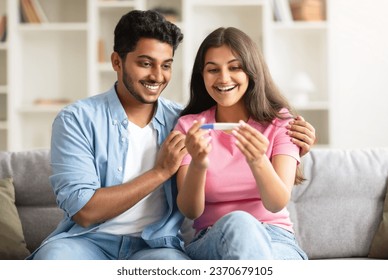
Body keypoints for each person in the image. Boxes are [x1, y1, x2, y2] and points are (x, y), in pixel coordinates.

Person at [28, 11, 315, 260]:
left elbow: (276, 189)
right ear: (117, 62)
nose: (157, 75)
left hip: (156, 246)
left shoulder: (179, 118)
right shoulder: (78, 119)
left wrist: (295, 145)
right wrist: (162, 170)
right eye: (145, 63)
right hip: (87, 242)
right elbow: (85, 211)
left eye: (166, 65)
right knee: (52, 262)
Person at [174, 27, 309, 260]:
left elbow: (277, 203)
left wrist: (258, 161)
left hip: (276, 239)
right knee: (240, 223)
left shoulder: (280, 123)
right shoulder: (190, 126)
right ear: (202, 76)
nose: (223, 78)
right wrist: (198, 164)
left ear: (251, 71)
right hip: (212, 239)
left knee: (250, 236)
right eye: (213, 69)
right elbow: (190, 210)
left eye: (234, 67)